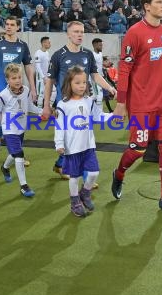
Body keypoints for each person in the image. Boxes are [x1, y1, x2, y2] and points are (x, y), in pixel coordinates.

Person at [110, 0, 162, 215]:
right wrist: (122, 104)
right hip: (140, 104)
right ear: (147, 6)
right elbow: (124, 70)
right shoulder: (134, 33)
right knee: (138, 149)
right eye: (159, 2)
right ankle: (120, 173)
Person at [42, 21, 116, 179]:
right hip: (65, 106)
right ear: (68, 34)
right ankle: (82, 176)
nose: (79, 35)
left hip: (84, 104)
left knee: (80, 138)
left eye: (82, 32)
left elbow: (95, 76)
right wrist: (46, 105)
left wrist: (109, 87)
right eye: (76, 32)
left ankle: (61, 166)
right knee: (70, 139)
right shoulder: (58, 55)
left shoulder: (87, 54)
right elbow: (49, 81)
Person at [55, 67, 113, 217]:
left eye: (84, 82)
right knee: (75, 177)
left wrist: (112, 116)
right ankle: (75, 202)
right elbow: (59, 126)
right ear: (69, 84)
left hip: (88, 146)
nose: (82, 86)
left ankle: (85, 193)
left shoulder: (89, 101)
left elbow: (98, 116)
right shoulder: (63, 104)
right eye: (77, 82)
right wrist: (59, 144)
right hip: (72, 148)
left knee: (93, 173)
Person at [0, 16, 36, 162]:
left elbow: (28, 67)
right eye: (7, 24)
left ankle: (18, 154)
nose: (9, 27)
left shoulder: (22, 45)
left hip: (18, 89)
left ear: (18, 27)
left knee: (18, 119)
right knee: (0, 118)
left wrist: (33, 88)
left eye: (12, 24)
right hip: (0, 86)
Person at [0, 63, 41, 197]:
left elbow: (30, 106)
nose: (18, 80)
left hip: (21, 128)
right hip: (9, 129)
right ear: (7, 80)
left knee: (14, 154)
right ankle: (24, 186)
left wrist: (41, 112)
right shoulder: (2, 96)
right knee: (19, 155)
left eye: (19, 77)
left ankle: (5, 167)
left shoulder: (25, 90)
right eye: (13, 78)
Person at [33, 36, 52, 110]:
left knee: (53, 91)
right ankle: (39, 112)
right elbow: (38, 67)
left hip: (47, 77)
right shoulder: (38, 53)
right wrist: (43, 77)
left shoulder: (47, 52)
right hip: (40, 78)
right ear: (44, 43)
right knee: (41, 94)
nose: (50, 44)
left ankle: (48, 108)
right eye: (49, 42)